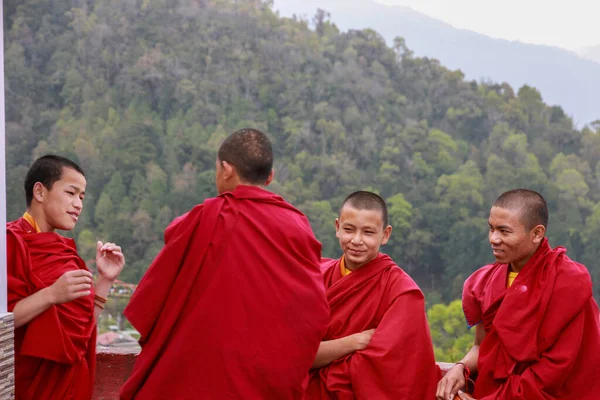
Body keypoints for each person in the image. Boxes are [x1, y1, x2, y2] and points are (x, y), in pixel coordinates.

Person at [120, 128, 330, 400]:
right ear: (270, 178)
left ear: (226, 169)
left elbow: (152, 302)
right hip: (263, 384)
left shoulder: (203, 220)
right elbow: (312, 316)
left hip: (197, 382)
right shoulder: (298, 227)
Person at [437, 189, 600, 400]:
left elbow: (556, 368)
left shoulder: (566, 282)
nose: (494, 239)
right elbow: (481, 346)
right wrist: (460, 368)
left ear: (537, 233)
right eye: (491, 229)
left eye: (504, 232)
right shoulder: (485, 282)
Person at [7, 155, 125, 399]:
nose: (78, 204)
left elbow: (80, 334)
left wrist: (105, 280)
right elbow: (3, 321)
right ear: (39, 192)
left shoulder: (65, 251)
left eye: (82, 197)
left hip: (70, 385)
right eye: (71, 193)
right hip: (29, 387)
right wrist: (51, 295)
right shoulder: (9, 243)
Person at [305, 191, 440, 399]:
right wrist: (356, 342)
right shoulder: (313, 276)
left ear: (385, 234)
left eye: (368, 232)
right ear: (337, 228)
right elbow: (290, 353)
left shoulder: (402, 292)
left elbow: (391, 371)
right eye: (349, 229)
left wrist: (321, 355)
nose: (357, 240)